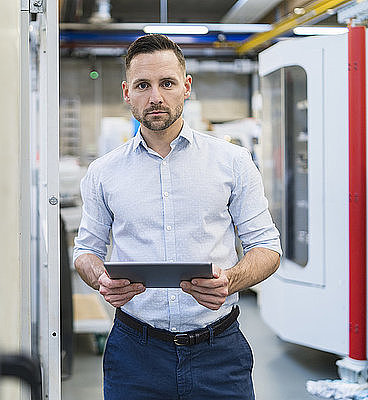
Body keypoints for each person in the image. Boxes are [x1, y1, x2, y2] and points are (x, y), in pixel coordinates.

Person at [72, 34, 282, 400]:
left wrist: (230, 280)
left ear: (186, 87)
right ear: (127, 92)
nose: (155, 97)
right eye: (143, 85)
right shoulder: (103, 172)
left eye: (167, 83)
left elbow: (267, 247)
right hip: (134, 354)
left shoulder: (232, 162)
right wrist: (102, 278)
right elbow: (85, 252)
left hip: (219, 352)